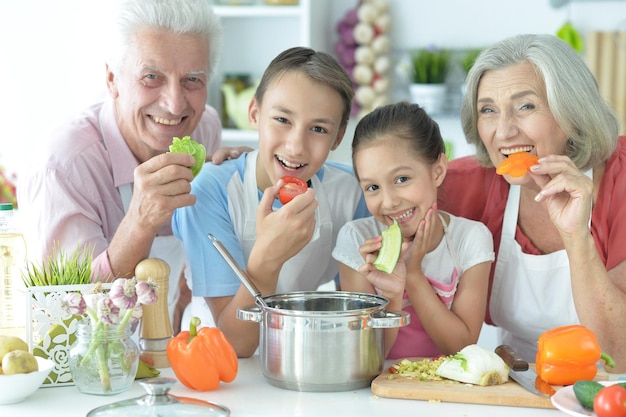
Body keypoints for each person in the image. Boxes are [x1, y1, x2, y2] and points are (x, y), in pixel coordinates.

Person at [16, 0, 245, 333]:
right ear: (112, 79)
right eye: (152, 77)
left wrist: (240, 183)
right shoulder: (63, 167)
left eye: (192, 80)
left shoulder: (203, 126)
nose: (175, 104)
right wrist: (140, 222)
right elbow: (67, 319)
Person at [439, 33, 626, 371]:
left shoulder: (621, 182)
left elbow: (619, 353)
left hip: (609, 389)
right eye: (488, 110)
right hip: (517, 383)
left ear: (572, 112)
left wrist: (576, 238)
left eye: (526, 106)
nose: (504, 131)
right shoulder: (462, 185)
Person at [173, 46, 370, 357]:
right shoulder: (211, 191)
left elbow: (357, 315)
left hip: (297, 355)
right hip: (212, 365)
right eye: (282, 119)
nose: (295, 146)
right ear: (255, 114)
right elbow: (235, 345)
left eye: (318, 129)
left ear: (338, 138)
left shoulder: (353, 194)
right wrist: (266, 261)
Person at [332, 102, 494, 359]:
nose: (389, 202)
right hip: (374, 390)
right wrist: (393, 294)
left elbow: (461, 348)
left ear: (438, 171)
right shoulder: (356, 240)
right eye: (372, 187)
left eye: (401, 179)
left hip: (443, 391)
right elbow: (365, 355)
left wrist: (413, 273)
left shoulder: (471, 239)